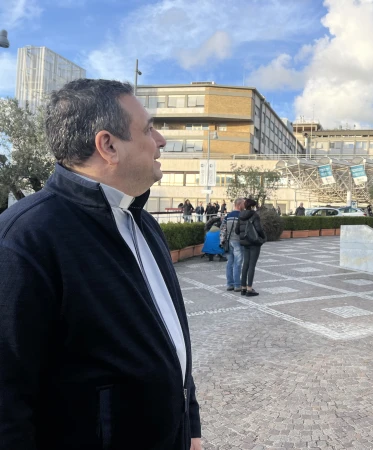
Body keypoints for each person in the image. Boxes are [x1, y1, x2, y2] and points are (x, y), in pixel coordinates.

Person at [0, 79, 202, 449]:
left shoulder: (144, 223)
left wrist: (190, 425)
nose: (161, 140)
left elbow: (171, 337)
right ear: (108, 145)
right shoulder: (24, 239)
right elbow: (6, 400)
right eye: (148, 128)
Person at [236, 198, 266, 297]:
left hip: (245, 242)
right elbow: (258, 228)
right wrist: (263, 237)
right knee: (252, 265)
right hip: (254, 242)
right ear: (253, 206)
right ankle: (249, 288)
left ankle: (243, 287)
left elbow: (237, 230)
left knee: (245, 264)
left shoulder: (240, 215)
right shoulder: (254, 215)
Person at [221, 198, 244, 292]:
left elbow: (222, 229)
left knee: (229, 263)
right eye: (243, 204)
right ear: (239, 205)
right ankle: (237, 285)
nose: (244, 206)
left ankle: (229, 284)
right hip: (238, 242)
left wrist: (222, 242)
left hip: (228, 242)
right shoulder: (241, 216)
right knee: (237, 264)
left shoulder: (228, 216)